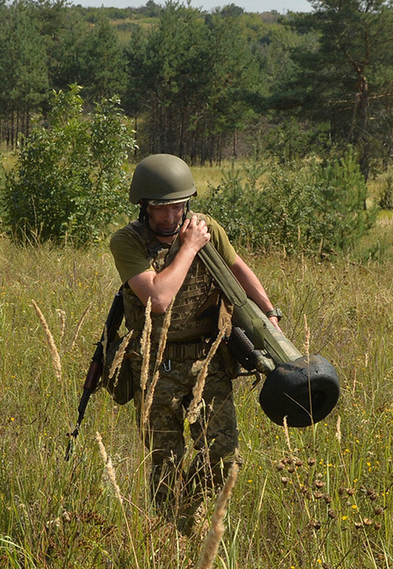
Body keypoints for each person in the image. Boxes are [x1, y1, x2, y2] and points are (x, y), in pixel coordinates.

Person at [108, 154, 282, 533]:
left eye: (177, 206)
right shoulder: (127, 242)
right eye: (160, 209)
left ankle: (189, 517)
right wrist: (188, 247)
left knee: (224, 458)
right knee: (165, 462)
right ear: (144, 207)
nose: (170, 217)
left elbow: (237, 269)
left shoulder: (207, 228)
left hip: (208, 360)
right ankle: (168, 536)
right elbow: (158, 298)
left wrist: (270, 313)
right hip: (155, 366)